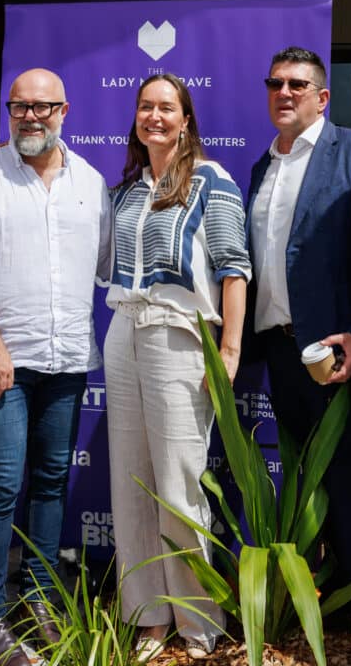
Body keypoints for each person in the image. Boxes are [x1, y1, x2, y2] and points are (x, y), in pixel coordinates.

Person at [0, 68, 110, 666]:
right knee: (1, 485)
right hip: (0, 366)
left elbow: (107, 264)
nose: (30, 117)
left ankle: (38, 599)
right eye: (19, 107)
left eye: (42, 107)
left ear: (65, 111)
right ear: (8, 111)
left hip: (67, 361)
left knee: (52, 481)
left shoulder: (90, 182)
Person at [245, 47, 351, 666]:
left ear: (323, 96)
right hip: (280, 351)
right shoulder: (263, 165)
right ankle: (335, 612)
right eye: (275, 83)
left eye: (298, 84)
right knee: (309, 485)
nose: (284, 92)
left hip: (333, 354)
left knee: (347, 486)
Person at [105, 73, 250, 662]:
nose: (155, 116)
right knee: (130, 483)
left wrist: (229, 351)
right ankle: (148, 617)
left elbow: (234, 269)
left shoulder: (211, 180)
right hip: (123, 331)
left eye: (167, 107)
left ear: (186, 119)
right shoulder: (126, 190)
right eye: (146, 106)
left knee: (180, 484)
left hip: (180, 334)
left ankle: (197, 622)